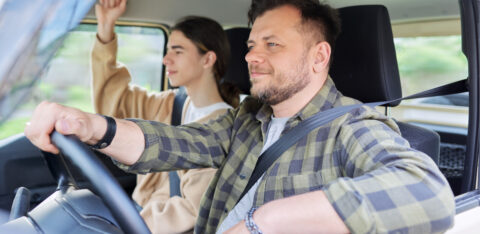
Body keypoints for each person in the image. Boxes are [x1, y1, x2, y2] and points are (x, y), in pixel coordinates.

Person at [25, 0, 456, 233]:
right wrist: (88, 126)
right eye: (251, 45)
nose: (251, 56)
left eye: (272, 44)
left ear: (318, 57)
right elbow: (171, 143)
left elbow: (426, 192)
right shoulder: (247, 119)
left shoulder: (352, 126)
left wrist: (261, 224)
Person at [91, 0, 239, 233]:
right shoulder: (168, 104)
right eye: (167, 50)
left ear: (208, 59)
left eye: (177, 51)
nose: (165, 59)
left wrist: (127, 224)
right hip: (135, 213)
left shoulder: (223, 129)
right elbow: (113, 101)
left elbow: (193, 210)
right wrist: (106, 26)